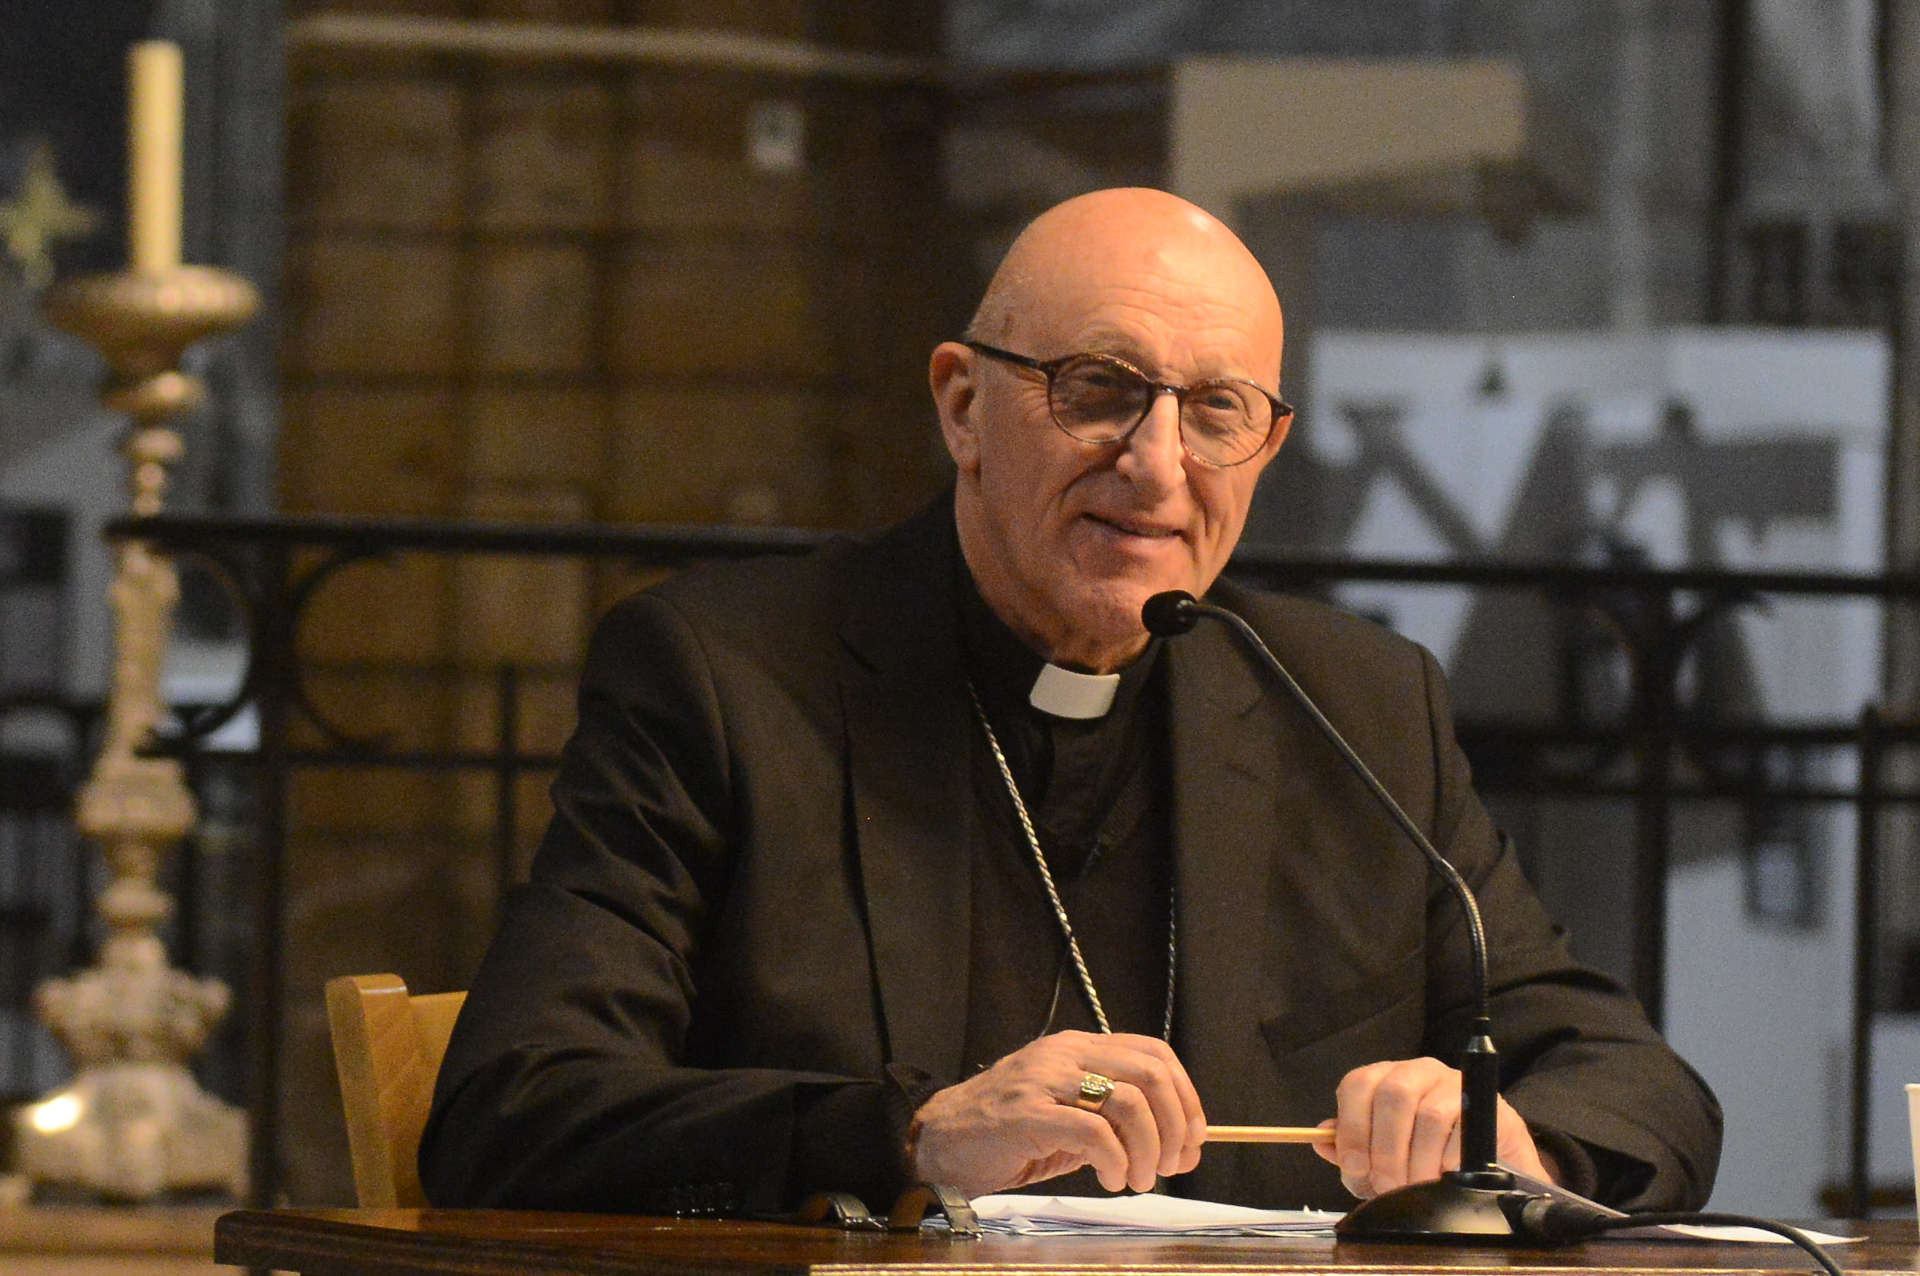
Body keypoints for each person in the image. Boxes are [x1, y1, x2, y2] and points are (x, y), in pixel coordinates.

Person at [419, 188, 1721, 1216]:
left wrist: (1512, 1138)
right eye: (1098, 389)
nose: (1155, 465)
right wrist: (913, 1138)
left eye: (1216, 410)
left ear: (1264, 451)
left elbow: (1640, 1088)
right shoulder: (726, 677)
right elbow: (514, 1108)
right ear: (963, 404)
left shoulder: (1357, 706)